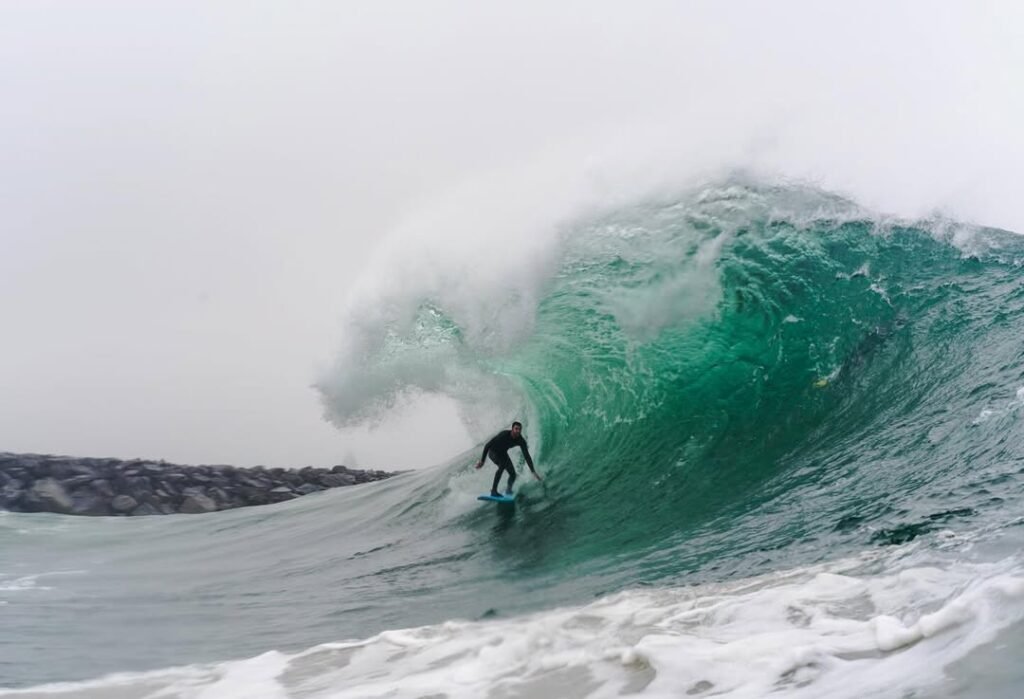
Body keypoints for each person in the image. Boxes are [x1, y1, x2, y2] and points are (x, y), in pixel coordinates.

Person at [475, 421, 542, 496]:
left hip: (503, 454)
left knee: (513, 474)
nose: (518, 431)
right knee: (502, 465)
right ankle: (494, 491)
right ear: (512, 429)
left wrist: (533, 471)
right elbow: (487, 445)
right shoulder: (503, 435)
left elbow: (527, 456)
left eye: (519, 429)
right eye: (516, 429)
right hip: (493, 452)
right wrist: (482, 461)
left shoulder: (520, 440)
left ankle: (508, 490)